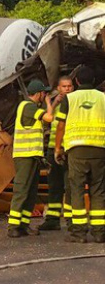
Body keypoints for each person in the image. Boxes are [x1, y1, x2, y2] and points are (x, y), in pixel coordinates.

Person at [55, 66, 105, 243]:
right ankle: (100, 232)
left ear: (76, 82)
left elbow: (60, 125)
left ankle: (79, 233)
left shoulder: (69, 98)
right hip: (99, 149)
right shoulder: (103, 98)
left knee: (76, 189)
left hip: (76, 150)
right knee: (98, 190)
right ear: (93, 81)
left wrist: (57, 148)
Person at [8, 79, 55, 238]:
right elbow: (49, 118)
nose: (45, 96)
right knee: (21, 190)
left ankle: (24, 224)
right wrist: (49, 102)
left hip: (32, 156)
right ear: (39, 93)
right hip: (24, 156)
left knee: (31, 191)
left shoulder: (31, 107)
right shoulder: (28, 106)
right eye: (44, 93)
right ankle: (13, 226)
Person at [39, 76, 74, 231]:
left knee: (70, 186)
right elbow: (47, 120)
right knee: (54, 185)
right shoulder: (57, 104)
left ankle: (72, 220)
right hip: (53, 149)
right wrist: (53, 103)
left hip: (68, 149)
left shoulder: (74, 102)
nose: (67, 89)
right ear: (58, 88)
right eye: (64, 86)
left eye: (69, 86)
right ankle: (52, 219)